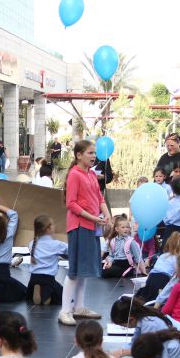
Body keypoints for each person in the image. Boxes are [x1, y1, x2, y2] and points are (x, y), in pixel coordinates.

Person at [59, 139, 111, 326]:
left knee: (84, 269)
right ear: (79, 155)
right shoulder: (75, 174)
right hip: (79, 226)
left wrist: (107, 215)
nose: (94, 156)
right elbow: (71, 204)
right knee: (75, 270)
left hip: (91, 226)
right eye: (90, 152)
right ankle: (65, 310)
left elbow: (99, 197)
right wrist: (94, 217)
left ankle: (79, 306)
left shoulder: (91, 174)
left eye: (94, 153)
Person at [26, 214, 67, 305]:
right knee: (63, 295)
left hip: (33, 279)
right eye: (52, 225)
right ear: (48, 229)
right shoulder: (57, 244)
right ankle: (46, 295)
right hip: (48, 279)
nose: (54, 226)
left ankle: (38, 290)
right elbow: (69, 251)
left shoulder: (32, 243)